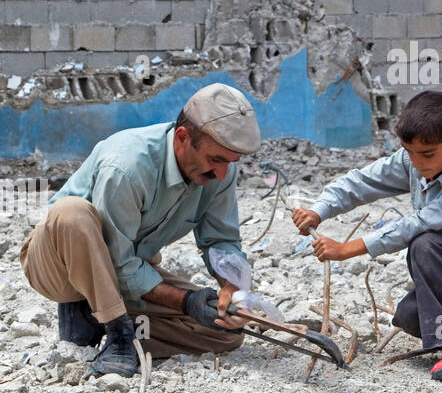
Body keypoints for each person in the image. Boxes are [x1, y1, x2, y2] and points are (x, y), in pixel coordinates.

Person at [19, 82, 263, 377]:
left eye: (231, 162)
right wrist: (186, 302)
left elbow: (221, 240)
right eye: (216, 160)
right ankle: (118, 333)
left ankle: (100, 319)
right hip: (60, 268)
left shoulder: (221, 172)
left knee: (225, 332)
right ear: (183, 137)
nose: (222, 174)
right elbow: (120, 262)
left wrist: (230, 290)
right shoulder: (127, 166)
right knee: (72, 213)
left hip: (127, 269)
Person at [292, 89, 442, 380]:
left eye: (427, 154)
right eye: (410, 152)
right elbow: (363, 182)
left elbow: (418, 224)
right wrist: (319, 210)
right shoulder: (415, 160)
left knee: (426, 244)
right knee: (411, 316)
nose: (417, 162)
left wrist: (348, 249)